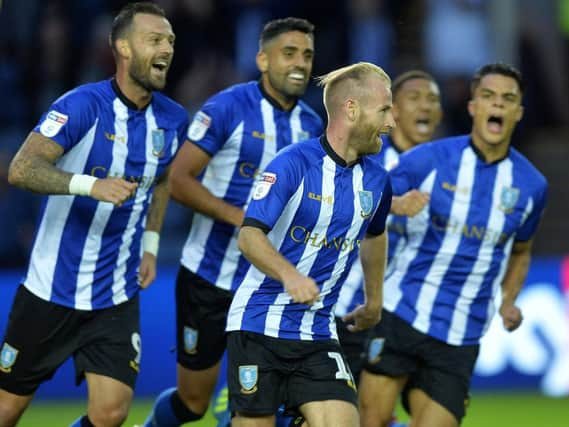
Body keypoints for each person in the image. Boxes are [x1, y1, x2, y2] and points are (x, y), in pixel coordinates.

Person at [0, 3, 188, 427]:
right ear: (123, 48)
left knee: (111, 414)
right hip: (52, 289)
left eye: (170, 41)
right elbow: (21, 168)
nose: (167, 48)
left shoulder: (173, 119)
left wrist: (153, 245)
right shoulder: (82, 105)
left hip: (115, 295)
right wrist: (89, 184)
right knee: (6, 410)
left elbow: (161, 181)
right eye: (154, 40)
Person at [142, 17, 322, 427]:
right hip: (208, 277)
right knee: (192, 403)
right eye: (289, 53)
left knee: (266, 408)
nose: (300, 63)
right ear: (262, 59)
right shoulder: (228, 108)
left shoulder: (313, 128)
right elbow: (178, 180)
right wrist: (241, 218)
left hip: (266, 288)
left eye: (307, 55)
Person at [358, 62, 548, 427]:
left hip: (462, 334)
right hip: (403, 313)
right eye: (489, 96)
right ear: (473, 106)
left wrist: (508, 300)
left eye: (508, 99)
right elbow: (363, 199)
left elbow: (521, 252)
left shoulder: (532, 186)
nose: (498, 105)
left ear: (518, 112)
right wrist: (396, 204)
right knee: (371, 420)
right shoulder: (427, 160)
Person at [225, 61, 395, 427]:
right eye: (384, 110)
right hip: (258, 325)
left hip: (317, 331)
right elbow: (248, 236)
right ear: (352, 108)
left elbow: (375, 235)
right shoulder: (293, 163)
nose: (391, 123)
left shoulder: (378, 182)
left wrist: (375, 299)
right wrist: (290, 276)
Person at [335, 70, 443, 385]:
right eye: (414, 98)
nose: (424, 106)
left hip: (391, 313)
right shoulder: (367, 154)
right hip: (339, 305)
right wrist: (393, 204)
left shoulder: (447, 172)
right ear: (392, 110)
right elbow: (334, 202)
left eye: (432, 100)